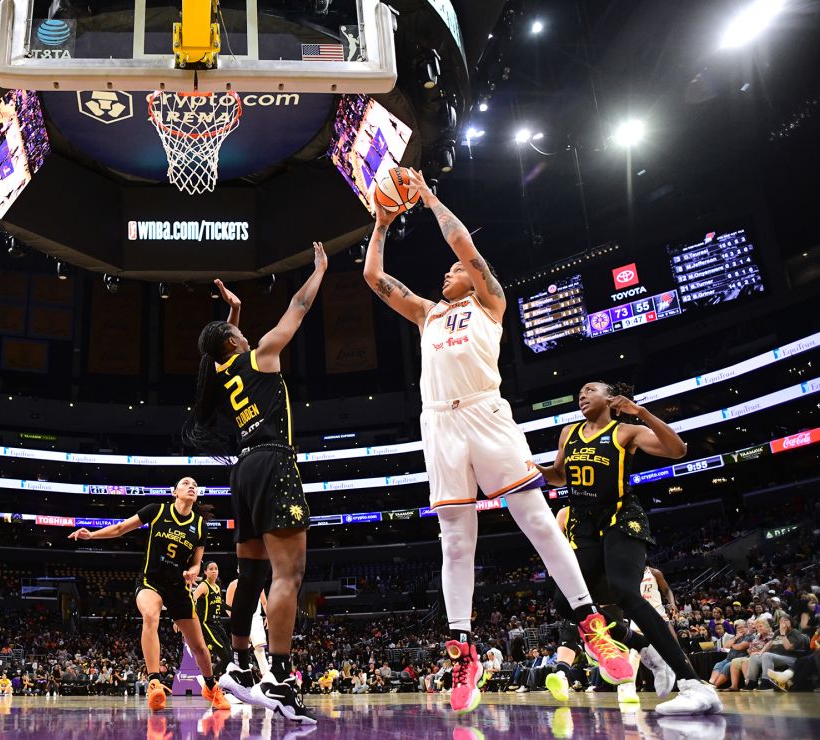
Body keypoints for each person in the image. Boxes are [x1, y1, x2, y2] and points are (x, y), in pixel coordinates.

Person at [363, 173, 633, 714]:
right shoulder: (427, 314)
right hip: (439, 424)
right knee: (455, 540)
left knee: (534, 517)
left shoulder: (490, 302)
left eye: (455, 269)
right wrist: (381, 224)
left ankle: (590, 625)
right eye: (448, 269)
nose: (448, 270)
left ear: (475, 277)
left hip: (487, 412)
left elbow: (464, 245)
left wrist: (430, 197)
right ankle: (463, 651)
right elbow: (373, 276)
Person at [183, 246, 328, 723]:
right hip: (272, 461)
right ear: (233, 341)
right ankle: (281, 679)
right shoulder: (262, 354)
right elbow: (298, 310)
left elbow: (222, 343)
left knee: (252, 573)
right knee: (290, 574)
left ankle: (240, 664)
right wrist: (319, 271)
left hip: (242, 470)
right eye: (238, 331)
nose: (246, 333)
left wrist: (234, 311)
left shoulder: (222, 370)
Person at [536, 381, 722, 716]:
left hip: (621, 517)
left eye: (590, 389)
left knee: (624, 592)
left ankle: (694, 684)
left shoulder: (626, 431)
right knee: (566, 603)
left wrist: (642, 413)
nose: (582, 394)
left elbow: (677, 450)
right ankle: (640, 646)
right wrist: (534, 472)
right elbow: (560, 476)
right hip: (584, 524)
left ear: (610, 398)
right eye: (579, 391)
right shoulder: (568, 433)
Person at [67, 476, 230, 712]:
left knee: (200, 648)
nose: (191, 486)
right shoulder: (156, 511)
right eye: (185, 483)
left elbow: (197, 562)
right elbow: (121, 528)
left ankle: (211, 687)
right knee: (151, 616)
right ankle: (155, 683)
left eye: (194, 484)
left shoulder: (200, 526)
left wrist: (193, 573)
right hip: (150, 581)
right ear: (174, 491)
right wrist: (92, 535)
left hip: (179, 587)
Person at [225, 575, 270, 676]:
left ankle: (266, 677)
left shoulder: (258, 582)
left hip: (255, 618)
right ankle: (240, 677)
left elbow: (264, 602)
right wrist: (235, 618)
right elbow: (228, 606)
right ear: (238, 570)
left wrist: (268, 615)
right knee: (241, 652)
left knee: (260, 650)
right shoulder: (233, 584)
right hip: (240, 619)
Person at [193, 562, 232, 676]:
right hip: (206, 625)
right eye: (211, 569)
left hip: (217, 624)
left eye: (216, 568)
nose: (214, 571)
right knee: (225, 656)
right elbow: (192, 598)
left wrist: (234, 610)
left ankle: (216, 681)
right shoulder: (204, 586)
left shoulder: (217, 588)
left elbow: (221, 603)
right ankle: (208, 681)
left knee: (229, 657)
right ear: (205, 572)